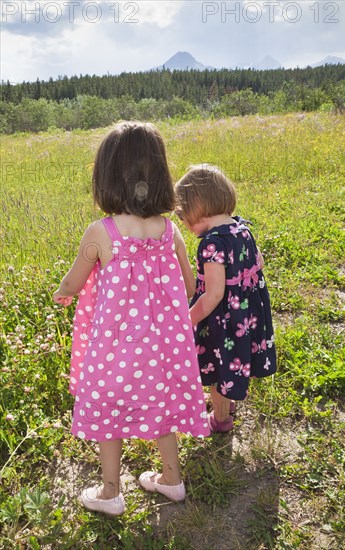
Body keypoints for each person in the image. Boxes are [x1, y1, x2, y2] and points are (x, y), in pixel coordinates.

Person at [53, 123, 210, 516]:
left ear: (107, 178)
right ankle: (172, 480)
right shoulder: (168, 229)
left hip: (116, 347)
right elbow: (190, 283)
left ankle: (110, 493)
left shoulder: (102, 232)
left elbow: (74, 280)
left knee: (109, 409)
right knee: (161, 404)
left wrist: (64, 292)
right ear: (159, 176)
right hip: (163, 347)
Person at [175, 164, 276, 433]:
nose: (184, 225)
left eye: (183, 217)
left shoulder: (212, 243)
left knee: (219, 371)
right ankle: (228, 399)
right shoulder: (242, 229)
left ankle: (220, 418)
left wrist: (186, 321)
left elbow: (214, 294)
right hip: (246, 314)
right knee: (235, 358)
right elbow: (259, 262)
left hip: (223, 320)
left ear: (196, 210)